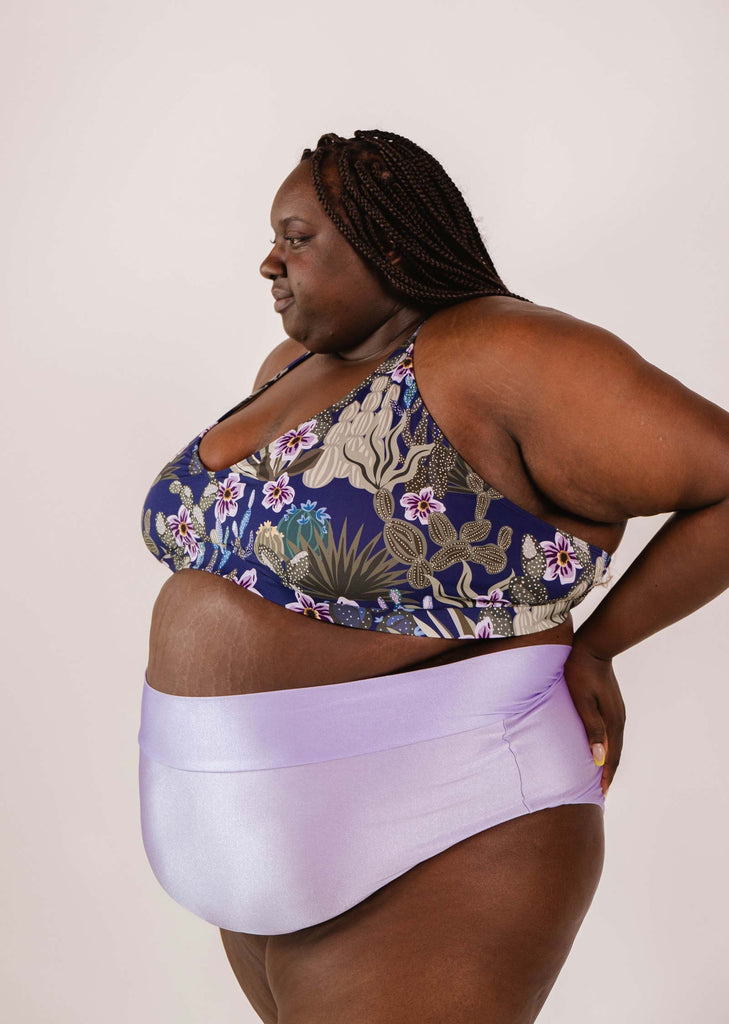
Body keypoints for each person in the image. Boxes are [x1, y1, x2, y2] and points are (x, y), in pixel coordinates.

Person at [138, 129, 729, 1024]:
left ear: (391, 243)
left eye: (296, 238)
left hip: (444, 818)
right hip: (245, 834)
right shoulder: (295, 369)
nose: (269, 262)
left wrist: (600, 647)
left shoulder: (502, 351)